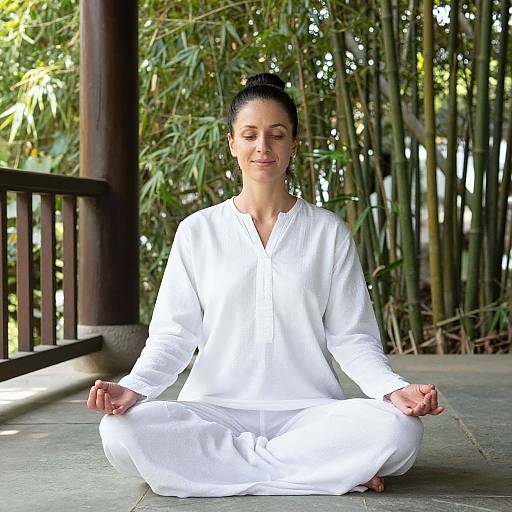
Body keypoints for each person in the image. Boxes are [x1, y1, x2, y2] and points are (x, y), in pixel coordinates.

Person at [87, 72, 444, 498]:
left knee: (401, 430)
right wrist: (136, 386)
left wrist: (392, 389)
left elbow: (352, 338)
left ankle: (221, 470)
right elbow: (173, 336)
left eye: (276, 135)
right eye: (250, 134)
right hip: (213, 409)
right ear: (232, 143)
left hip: (310, 413)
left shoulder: (328, 233)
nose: (263, 147)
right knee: (120, 431)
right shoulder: (197, 232)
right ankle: (322, 472)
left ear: (293, 144)